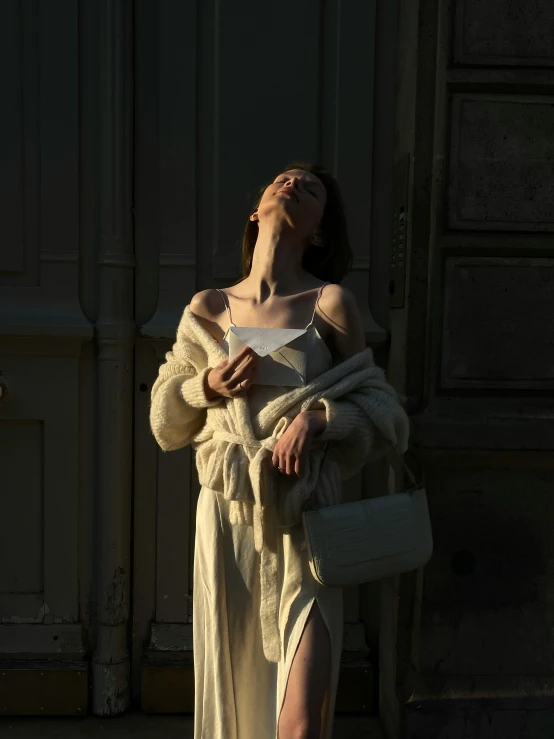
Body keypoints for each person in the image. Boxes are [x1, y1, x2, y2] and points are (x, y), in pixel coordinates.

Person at [149, 162, 410, 739]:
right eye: (282, 179)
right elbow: (165, 420)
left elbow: (385, 412)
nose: (291, 183)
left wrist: (320, 418)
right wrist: (206, 387)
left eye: (310, 188)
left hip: (303, 520)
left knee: (300, 722)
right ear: (255, 211)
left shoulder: (331, 304)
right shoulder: (208, 308)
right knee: (235, 698)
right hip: (227, 524)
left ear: (317, 230)